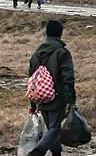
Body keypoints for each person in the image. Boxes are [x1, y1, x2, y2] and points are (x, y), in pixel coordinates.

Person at [27, 20, 76, 156]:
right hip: (57, 98)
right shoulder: (62, 53)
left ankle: (56, 153)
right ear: (60, 34)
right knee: (55, 128)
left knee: (52, 129)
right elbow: (68, 79)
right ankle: (37, 152)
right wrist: (71, 101)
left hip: (40, 97)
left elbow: (32, 80)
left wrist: (33, 103)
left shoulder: (36, 54)